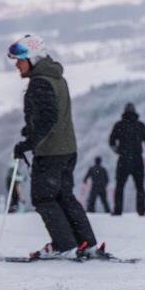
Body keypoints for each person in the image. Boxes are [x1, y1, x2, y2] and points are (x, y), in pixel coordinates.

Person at [9, 34, 102, 260]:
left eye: (20, 59)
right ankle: (86, 243)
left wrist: (28, 143)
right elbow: (51, 115)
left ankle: (64, 245)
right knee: (64, 196)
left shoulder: (40, 82)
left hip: (50, 152)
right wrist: (29, 132)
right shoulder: (56, 77)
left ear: (33, 58)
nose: (16, 64)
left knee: (44, 198)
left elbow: (47, 119)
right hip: (67, 149)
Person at [108, 102, 145, 216]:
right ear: (134, 112)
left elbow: (111, 141)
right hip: (138, 159)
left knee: (120, 186)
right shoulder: (140, 125)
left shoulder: (119, 125)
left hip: (123, 159)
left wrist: (118, 150)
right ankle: (141, 211)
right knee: (140, 187)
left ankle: (118, 210)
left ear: (124, 112)